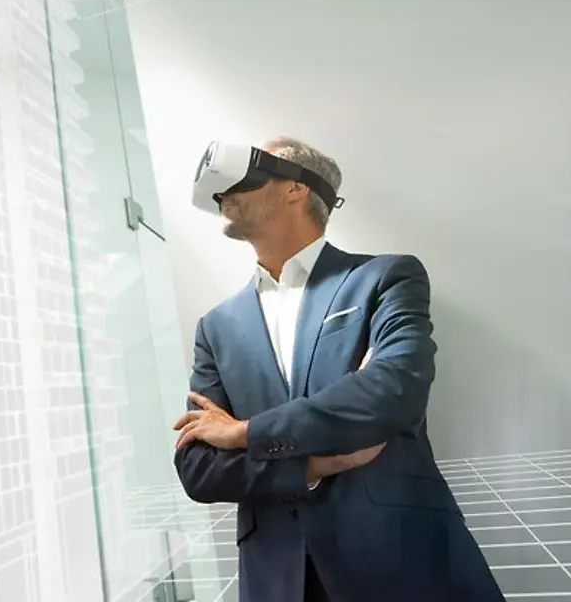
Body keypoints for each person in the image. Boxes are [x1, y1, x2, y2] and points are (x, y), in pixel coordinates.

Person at [172, 137, 504, 602]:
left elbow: (392, 392)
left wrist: (246, 433)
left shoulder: (385, 278)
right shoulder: (216, 327)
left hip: (401, 558)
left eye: (248, 176)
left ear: (295, 189)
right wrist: (311, 465)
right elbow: (198, 466)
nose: (224, 193)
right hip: (278, 575)